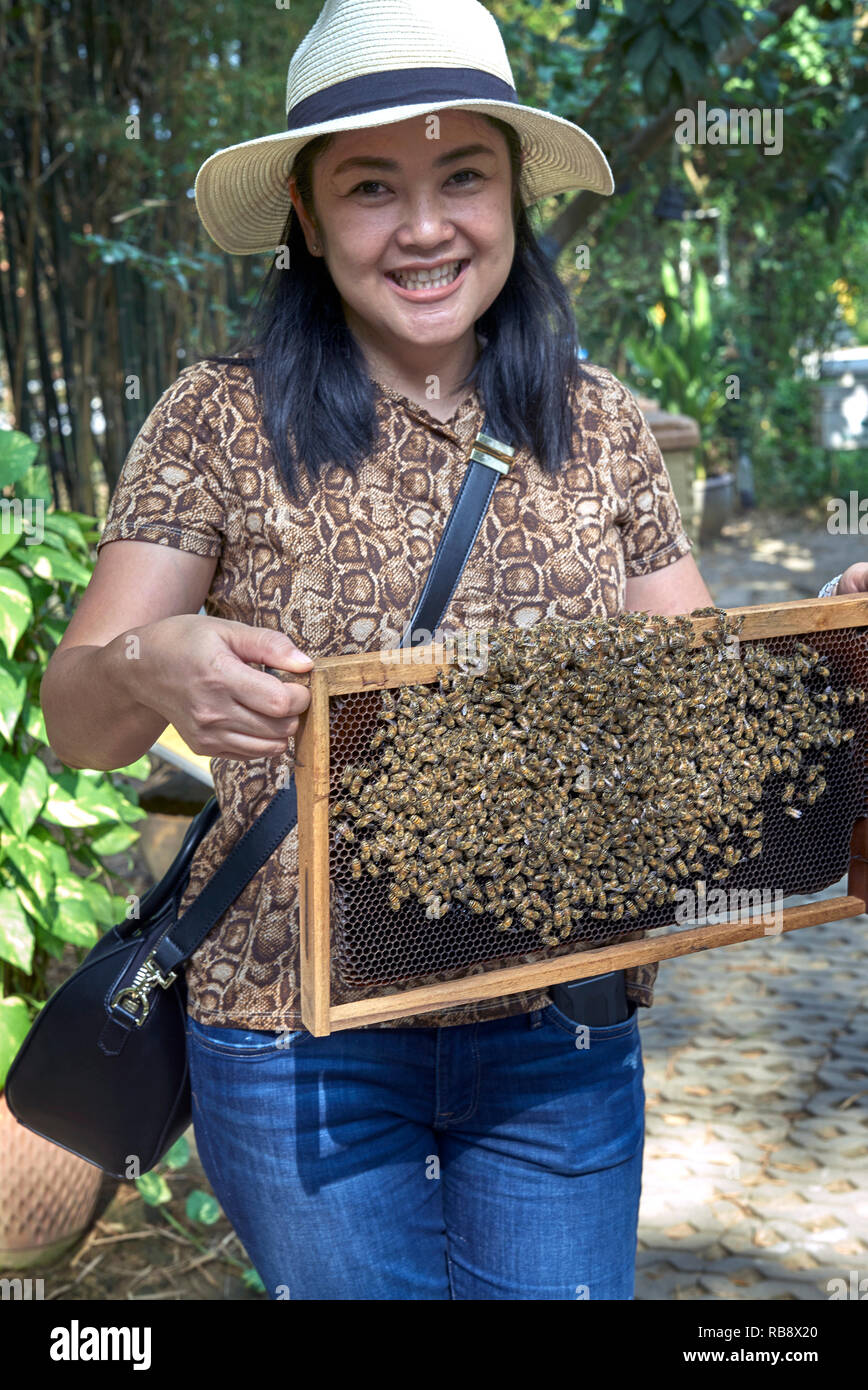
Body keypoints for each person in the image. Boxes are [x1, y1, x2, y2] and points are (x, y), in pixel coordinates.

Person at [41, 0, 867, 1300]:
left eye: (462, 176)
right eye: (372, 187)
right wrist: (155, 662)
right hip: (293, 1037)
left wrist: (833, 640)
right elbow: (74, 725)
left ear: (515, 198)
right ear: (308, 217)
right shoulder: (214, 417)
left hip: (559, 1029)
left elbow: (704, 695)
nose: (424, 226)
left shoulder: (601, 428)